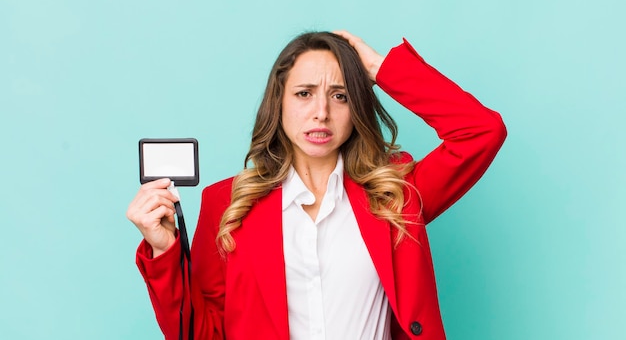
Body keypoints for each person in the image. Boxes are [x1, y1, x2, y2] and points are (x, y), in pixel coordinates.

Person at [127, 30, 507, 340]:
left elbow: (481, 132)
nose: (321, 112)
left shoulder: (396, 193)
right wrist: (165, 251)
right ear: (279, 102)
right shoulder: (226, 203)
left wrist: (380, 69)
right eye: (304, 93)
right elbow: (201, 333)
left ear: (356, 106)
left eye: (340, 95)